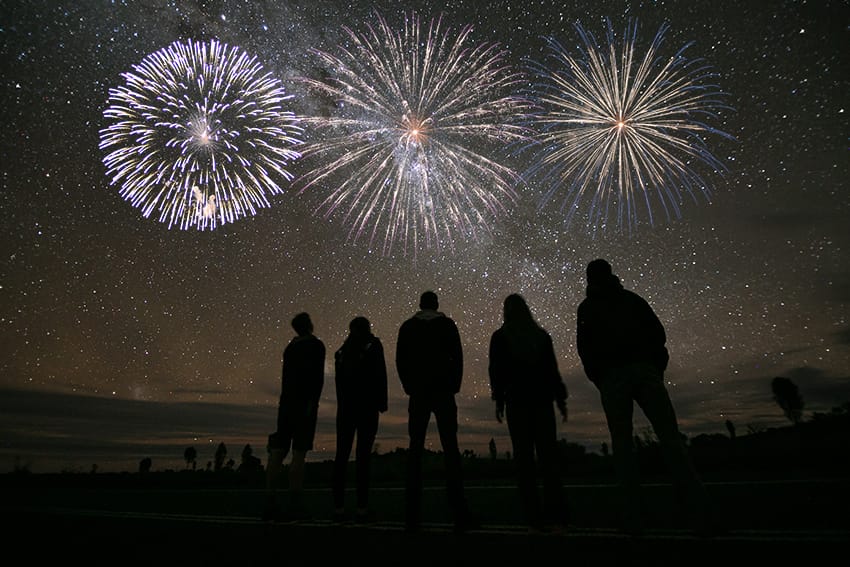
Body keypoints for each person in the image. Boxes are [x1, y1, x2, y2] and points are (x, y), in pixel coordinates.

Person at [576, 259, 714, 536]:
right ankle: (696, 506)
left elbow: (585, 348)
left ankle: (633, 513)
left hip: (617, 376)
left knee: (624, 444)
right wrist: (653, 368)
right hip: (639, 371)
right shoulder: (630, 300)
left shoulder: (589, 308)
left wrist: (601, 378)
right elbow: (657, 335)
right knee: (669, 437)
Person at [489, 293, 570, 533]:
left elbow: (496, 371)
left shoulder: (501, 337)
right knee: (548, 458)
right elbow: (552, 370)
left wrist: (499, 400)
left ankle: (533, 515)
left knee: (523, 459)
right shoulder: (541, 336)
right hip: (542, 401)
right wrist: (560, 399)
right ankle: (555, 512)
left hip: (517, 402)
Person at [396, 290, 475, 533]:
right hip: (443, 391)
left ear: (420, 305)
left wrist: (409, 386)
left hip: (419, 392)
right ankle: (459, 510)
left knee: (415, 449)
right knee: (451, 447)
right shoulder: (447, 325)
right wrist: (453, 385)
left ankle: (412, 514)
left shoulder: (408, 327)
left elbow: (401, 360)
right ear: (436, 304)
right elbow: (458, 357)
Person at [265, 312, 326, 521]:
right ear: (309, 324)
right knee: (299, 453)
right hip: (304, 405)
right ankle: (295, 503)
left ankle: (270, 501)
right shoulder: (316, 346)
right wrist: (312, 403)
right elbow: (317, 378)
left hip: (286, 404)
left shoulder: (290, 348)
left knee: (278, 451)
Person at [332, 316, 388, 523]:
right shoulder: (373, 345)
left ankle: (338, 508)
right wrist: (382, 403)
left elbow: (339, 385)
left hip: (346, 410)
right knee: (363, 457)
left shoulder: (341, 353)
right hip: (367, 409)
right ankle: (362, 508)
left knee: (341, 457)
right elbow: (380, 374)